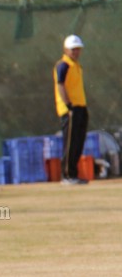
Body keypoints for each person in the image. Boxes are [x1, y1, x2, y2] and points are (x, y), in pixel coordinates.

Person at [54, 35, 89, 185]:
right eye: (73, 49)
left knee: (78, 142)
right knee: (70, 143)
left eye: (78, 49)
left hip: (81, 107)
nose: (76, 52)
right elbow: (60, 85)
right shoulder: (63, 65)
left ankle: (73, 174)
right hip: (70, 109)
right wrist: (69, 105)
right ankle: (66, 175)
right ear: (66, 49)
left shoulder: (76, 66)